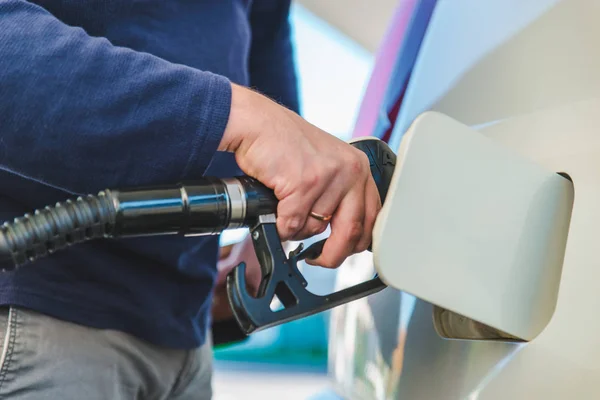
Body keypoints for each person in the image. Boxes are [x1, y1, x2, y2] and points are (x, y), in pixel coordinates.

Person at [0, 1, 381, 399]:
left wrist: (273, 215)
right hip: (43, 317)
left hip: (187, 330)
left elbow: (264, 27)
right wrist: (235, 115)